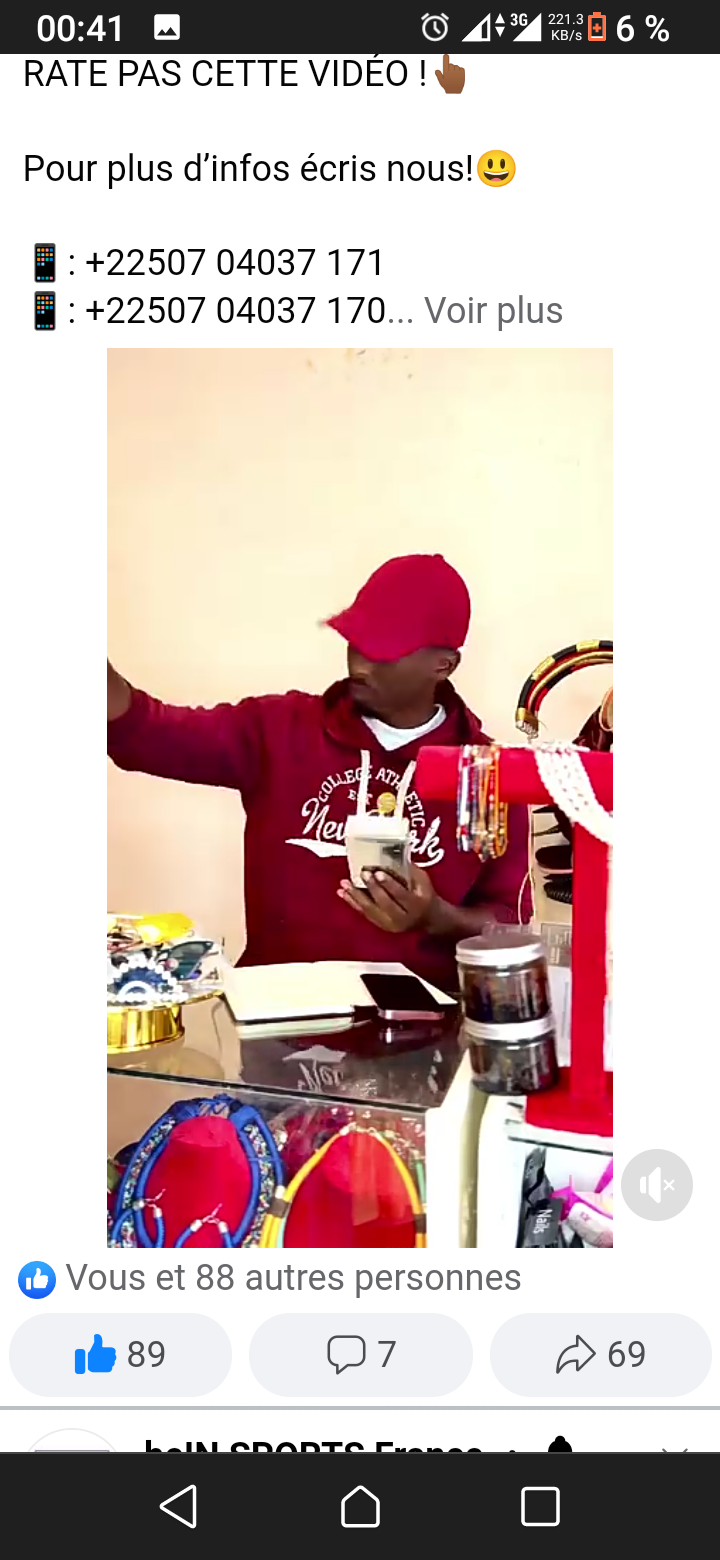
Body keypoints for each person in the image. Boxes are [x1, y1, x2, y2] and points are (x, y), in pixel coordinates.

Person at [108, 553, 530, 989]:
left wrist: (437, 917)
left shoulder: (488, 776)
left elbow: (509, 924)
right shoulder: (278, 730)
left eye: (384, 652)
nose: (360, 666)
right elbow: (147, 731)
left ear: (443, 665)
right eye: (356, 642)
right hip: (276, 1014)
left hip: (419, 1024)